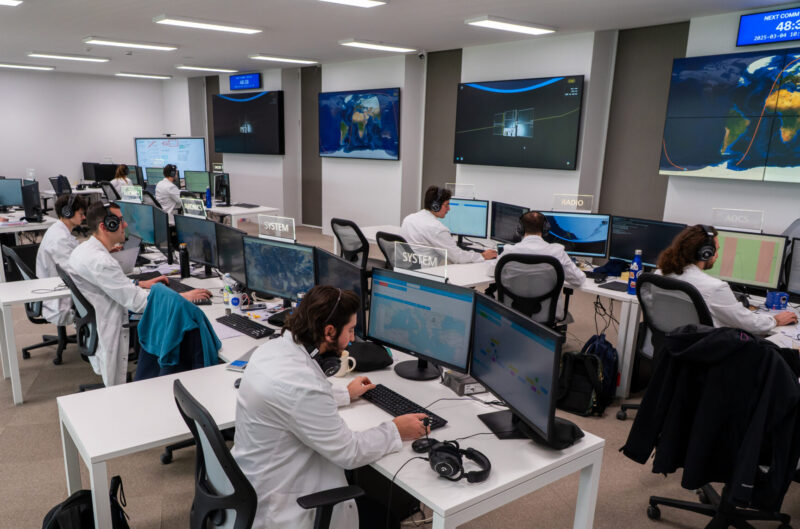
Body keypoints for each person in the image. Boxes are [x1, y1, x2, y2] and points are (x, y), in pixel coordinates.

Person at [232, 286, 429, 529]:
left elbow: (293, 399)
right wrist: (396, 430)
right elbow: (349, 452)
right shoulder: (301, 384)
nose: (353, 338)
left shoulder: (272, 351)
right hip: (286, 507)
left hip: (254, 483)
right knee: (385, 520)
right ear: (329, 331)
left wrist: (344, 393)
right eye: (350, 330)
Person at [67, 201, 211, 386]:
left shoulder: (84, 250)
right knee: (185, 323)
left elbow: (111, 284)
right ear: (106, 226)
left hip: (100, 316)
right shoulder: (101, 261)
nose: (125, 225)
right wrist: (182, 297)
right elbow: (138, 303)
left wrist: (138, 282)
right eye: (119, 221)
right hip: (113, 321)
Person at [657, 224, 797, 334]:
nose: (717, 256)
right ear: (705, 253)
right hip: (700, 352)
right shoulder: (715, 288)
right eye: (716, 250)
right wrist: (775, 320)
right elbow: (749, 323)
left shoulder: (659, 274)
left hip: (668, 347)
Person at [490, 211, 586, 320]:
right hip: (547, 317)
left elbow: (491, 271)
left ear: (519, 229)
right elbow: (579, 280)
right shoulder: (557, 252)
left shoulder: (509, 252)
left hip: (512, 313)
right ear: (546, 229)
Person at [401, 185, 496, 264]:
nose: (449, 209)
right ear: (435, 206)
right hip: (428, 274)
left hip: (409, 271)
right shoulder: (437, 228)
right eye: (446, 205)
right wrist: (482, 255)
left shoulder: (409, 219)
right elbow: (458, 258)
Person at [35, 194, 87, 325]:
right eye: (81, 214)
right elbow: (73, 272)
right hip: (58, 301)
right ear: (67, 213)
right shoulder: (59, 238)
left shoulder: (59, 231)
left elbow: (75, 255)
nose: (84, 217)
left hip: (57, 288)